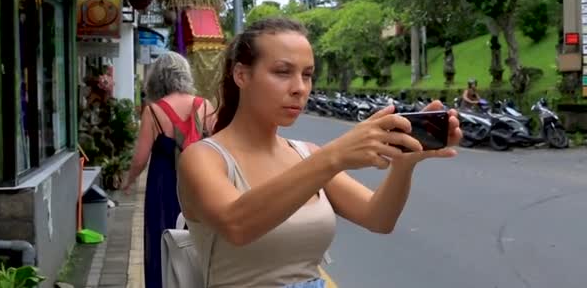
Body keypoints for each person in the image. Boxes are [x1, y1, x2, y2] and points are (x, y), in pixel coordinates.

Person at [177, 18, 462, 288]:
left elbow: (379, 218)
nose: (300, 88)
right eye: (282, 72)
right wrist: (334, 156)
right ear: (241, 75)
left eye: (308, 75)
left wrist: (404, 164)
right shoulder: (203, 157)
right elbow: (237, 224)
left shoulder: (306, 154)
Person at [122, 51, 216, 288]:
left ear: (157, 79)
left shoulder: (153, 111)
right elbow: (218, 147)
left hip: (163, 187)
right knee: (201, 239)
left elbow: (141, 159)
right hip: (200, 187)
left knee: (161, 239)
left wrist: (128, 180)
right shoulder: (204, 106)